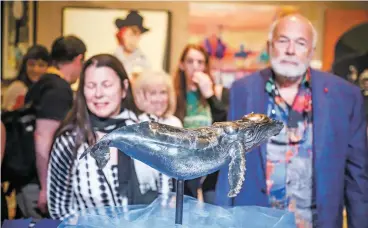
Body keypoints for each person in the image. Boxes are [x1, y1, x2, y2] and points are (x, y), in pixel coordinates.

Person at [215, 14, 368, 228]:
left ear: (311, 51)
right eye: (283, 40)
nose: (290, 50)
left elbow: (357, 178)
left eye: (300, 43)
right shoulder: (243, 90)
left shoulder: (344, 96)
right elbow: (229, 163)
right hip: (253, 221)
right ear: (270, 46)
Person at [47, 54, 169, 220]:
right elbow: (60, 209)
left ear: (124, 88)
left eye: (106, 85)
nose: (98, 93)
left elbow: (166, 190)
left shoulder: (148, 130)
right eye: (91, 86)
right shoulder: (70, 141)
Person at [24, 35, 86, 218]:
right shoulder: (57, 89)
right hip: (39, 183)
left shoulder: (43, 83)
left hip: (31, 180)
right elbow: (43, 138)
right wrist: (45, 187)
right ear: (78, 59)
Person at [174, 44, 228, 203]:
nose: (195, 67)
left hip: (213, 166)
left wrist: (209, 94)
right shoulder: (175, 94)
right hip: (185, 165)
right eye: (190, 61)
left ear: (206, 66)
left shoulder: (218, 92)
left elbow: (226, 124)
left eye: (200, 62)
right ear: (182, 65)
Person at [2, 45, 50, 111]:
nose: (36, 70)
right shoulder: (17, 88)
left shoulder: (50, 88)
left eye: (41, 65)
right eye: (31, 64)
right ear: (25, 66)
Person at [113, 10, 151, 78]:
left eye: (138, 35)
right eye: (131, 34)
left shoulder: (144, 61)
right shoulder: (112, 58)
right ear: (122, 34)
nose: (134, 39)